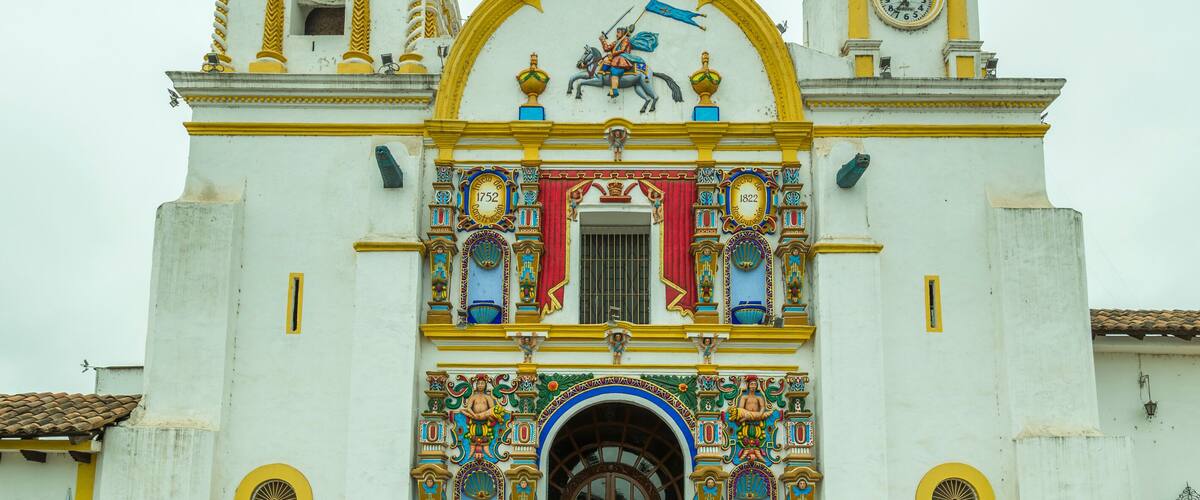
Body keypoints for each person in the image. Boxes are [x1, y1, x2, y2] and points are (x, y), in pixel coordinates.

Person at [598, 26, 636, 97]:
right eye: (616, 33)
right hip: (614, 58)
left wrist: (612, 54)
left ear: (623, 33)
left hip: (621, 59)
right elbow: (607, 48)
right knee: (606, 61)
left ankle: (615, 90)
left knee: (614, 70)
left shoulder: (626, 40)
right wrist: (602, 40)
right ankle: (604, 71)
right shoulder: (616, 41)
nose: (616, 34)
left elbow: (622, 49)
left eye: (618, 32)